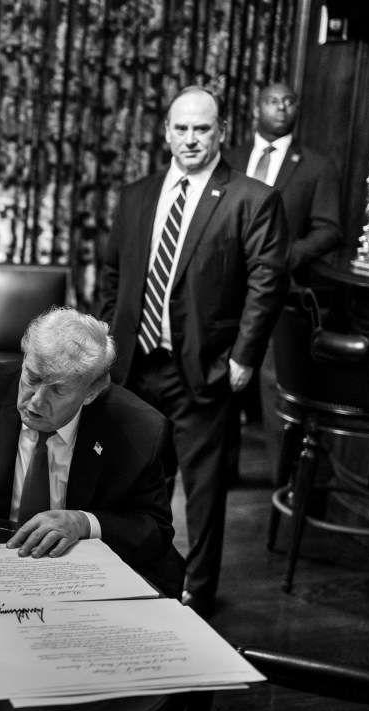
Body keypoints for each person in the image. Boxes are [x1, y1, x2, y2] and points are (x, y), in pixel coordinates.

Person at [97, 85, 288, 618]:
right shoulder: (136, 196)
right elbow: (115, 275)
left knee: (203, 493)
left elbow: (268, 282)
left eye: (201, 128)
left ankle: (197, 593)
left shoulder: (251, 198)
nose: (190, 139)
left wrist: (245, 357)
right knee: (137, 482)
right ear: (165, 133)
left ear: (221, 132)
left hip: (203, 370)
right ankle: (136, 573)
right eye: (180, 128)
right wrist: (111, 341)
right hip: (136, 367)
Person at [0, 307, 184, 598]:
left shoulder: (140, 430)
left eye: (58, 389)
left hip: (77, 582)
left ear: (92, 391)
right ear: (25, 357)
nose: (36, 402)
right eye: (33, 378)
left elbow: (153, 528)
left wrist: (83, 523)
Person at [223, 82, 344, 472]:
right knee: (220, 387)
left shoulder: (316, 165)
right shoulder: (230, 157)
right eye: (272, 101)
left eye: (289, 101)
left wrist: (286, 257)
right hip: (224, 291)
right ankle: (221, 473)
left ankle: (284, 482)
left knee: (275, 389)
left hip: (281, 294)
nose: (282, 107)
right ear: (257, 108)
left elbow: (330, 230)